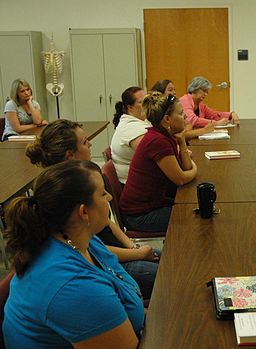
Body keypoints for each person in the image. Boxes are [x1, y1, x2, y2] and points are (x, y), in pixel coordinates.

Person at [3, 160, 144, 348]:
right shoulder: (73, 286)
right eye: (103, 193)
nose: (110, 197)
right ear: (83, 212)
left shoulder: (81, 239)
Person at [26, 119, 160, 301]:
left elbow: (107, 224)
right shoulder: (65, 193)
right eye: (84, 142)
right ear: (70, 155)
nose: (90, 144)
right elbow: (92, 250)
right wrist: (136, 253)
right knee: (171, 276)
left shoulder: (87, 178)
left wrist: (131, 245)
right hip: (106, 262)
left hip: (114, 255)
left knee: (170, 262)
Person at [120, 92, 197, 233]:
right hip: (140, 215)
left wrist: (182, 142)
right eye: (180, 114)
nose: (185, 117)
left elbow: (184, 167)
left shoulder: (165, 136)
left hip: (154, 204)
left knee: (197, 209)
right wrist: (195, 170)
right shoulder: (157, 141)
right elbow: (180, 178)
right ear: (167, 119)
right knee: (195, 218)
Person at [111, 86, 150, 184]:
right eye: (142, 102)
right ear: (130, 107)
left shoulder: (140, 121)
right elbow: (154, 157)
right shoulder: (132, 129)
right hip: (136, 185)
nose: (148, 105)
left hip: (140, 180)